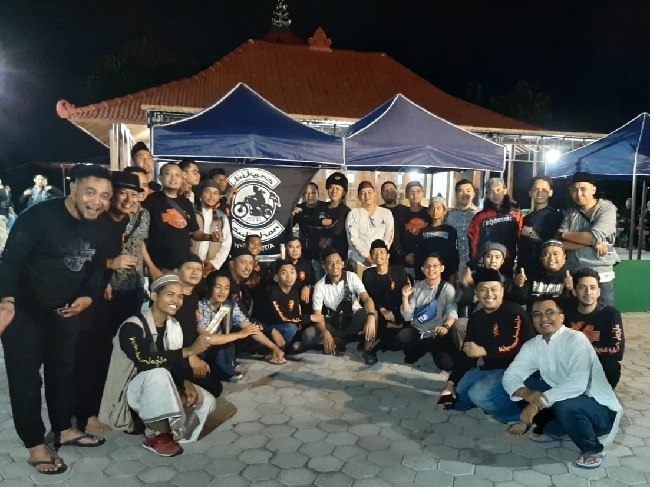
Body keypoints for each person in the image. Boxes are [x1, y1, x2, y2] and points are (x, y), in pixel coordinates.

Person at [0, 164, 114, 474]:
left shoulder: (103, 226)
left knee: (63, 372)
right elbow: (9, 262)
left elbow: (99, 267)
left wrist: (89, 296)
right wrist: (6, 302)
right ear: (73, 189)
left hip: (65, 311)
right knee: (26, 381)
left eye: (105, 196)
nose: (97, 202)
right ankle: (35, 444)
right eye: (90, 192)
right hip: (24, 312)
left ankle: (62, 428)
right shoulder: (38, 217)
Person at [99, 275, 215, 457]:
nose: (176, 300)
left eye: (180, 296)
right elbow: (144, 361)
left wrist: (185, 382)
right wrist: (189, 351)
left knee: (206, 401)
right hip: (129, 397)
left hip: (159, 385)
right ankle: (155, 434)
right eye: (170, 294)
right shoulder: (132, 327)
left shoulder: (173, 325)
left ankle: (172, 430)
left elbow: (173, 363)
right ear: (154, 296)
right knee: (158, 374)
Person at [502, 296, 622, 469]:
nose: (543, 318)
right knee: (526, 386)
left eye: (549, 312)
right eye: (537, 314)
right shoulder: (533, 345)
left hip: (599, 410)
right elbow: (510, 376)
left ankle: (592, 449)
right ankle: (561, 430)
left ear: (561, 317)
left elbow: (577, 384)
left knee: (564, 404)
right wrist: (527, 394)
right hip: (567, 400)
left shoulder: (576, 339)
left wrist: (535, 404)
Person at [438, 268, 535, 423]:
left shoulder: (514, 311)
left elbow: (514, 345)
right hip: (492, 369)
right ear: (476, 293)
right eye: (483, 289)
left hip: (518, 370)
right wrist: (451, 382)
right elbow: (467, 351)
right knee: (458, 391)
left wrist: (484, 351)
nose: (489, 294)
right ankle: (487, 401)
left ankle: (519, 416)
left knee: (479, 394)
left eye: (494, 289)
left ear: (502, 290)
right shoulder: (477, 317)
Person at [142, 163, 220, 277]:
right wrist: (151, 267)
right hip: (158, 266)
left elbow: (194, 232)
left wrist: (210, 237)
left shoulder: (186, 203)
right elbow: (140, 238)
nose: (173, 178)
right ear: (160, 178)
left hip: (182, 267)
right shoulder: (151, 201)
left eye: (177, 175)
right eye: (168, 174)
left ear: (182, 178)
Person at [555, 171, 619, 306]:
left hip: (601, 273)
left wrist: (565, 235)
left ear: (593, 190)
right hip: (575, 272)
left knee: (603, 313)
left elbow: (594, 237)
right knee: (574, 314)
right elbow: (559, 243)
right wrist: (592, 242)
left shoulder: (606, 209)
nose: (578, 194)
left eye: (583, 189)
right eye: (574, 190)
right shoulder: (570, 212)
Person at [307, 248, 377, 362]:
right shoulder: (319, 286)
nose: (335, 266)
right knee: (308, 335)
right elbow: (317, 315)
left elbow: (366, 298)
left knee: (374, 315)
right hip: (333, 323)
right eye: (330, 263)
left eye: (338, 262)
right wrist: (325, 332)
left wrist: (371, 316)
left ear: (343, 264)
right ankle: (339, 340)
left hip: (353, 320)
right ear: (324, 266)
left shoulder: (352, 277)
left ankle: (368, 350)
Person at [225, 247, 286, 365]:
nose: (248, 267)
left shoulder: (240, 283)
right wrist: (271, 332)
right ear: (232, 264)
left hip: (242, 325)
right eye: (243, 262)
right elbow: (244, 319)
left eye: (250, 263)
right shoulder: (226, 284)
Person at [564, 268, 625, 388]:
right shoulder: (566, 312)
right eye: (582, 288)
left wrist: (587, 351)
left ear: (599, 292)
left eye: (593, 288)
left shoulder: (611, 314)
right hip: (572, 363)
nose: (588, 292)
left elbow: (618, 351)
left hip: (598, 363)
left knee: (611, 365)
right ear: (574, 291)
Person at [197, 272, 262, 381]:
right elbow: (206, 338)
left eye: (226, 288)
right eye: (218, 287)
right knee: (230, 338)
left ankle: (227, 366)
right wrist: (239, 334)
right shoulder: (200, 306)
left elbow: (248, 326)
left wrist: (274, 348)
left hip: (221, 344)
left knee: (244, 333)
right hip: (203, 349)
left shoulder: (230, 304)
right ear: (210, 287)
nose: (222, 291)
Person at [400, 254, 459, 371]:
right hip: (418, 330)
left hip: (437, 333)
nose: (431, 269)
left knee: (446, 364)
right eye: (427, 266)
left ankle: (429, 348)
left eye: (435, 266)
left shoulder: (447, 288)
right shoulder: (417, 286)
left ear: (442, 268)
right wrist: (405, 297)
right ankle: (420, 349)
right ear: (422, 269)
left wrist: (446, 326)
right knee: (402, 338)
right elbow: (407, 317)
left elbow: (452, 310)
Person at [362, 239, 410, 364]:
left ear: (388, 255)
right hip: (380, 312)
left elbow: (408, 286)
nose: (378, 255)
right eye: (375, 253)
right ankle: (368, 349)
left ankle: (384, 338)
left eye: (381, 252)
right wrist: (382, 309)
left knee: (400, 339)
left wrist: (408, 287)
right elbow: (367, 297)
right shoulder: (368, 274)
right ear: (371, 257)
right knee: (372, 314)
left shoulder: (398, 270)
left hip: (397, 312)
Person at [467, 177, 523, 276]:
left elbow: (521, 240)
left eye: (498, 190)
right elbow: (473, 240)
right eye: (491, 192)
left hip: (507, 266)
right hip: (485, 265)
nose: (495, 194)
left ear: (505, 191)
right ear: (487, 195)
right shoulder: (480, 217)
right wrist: (473, 263)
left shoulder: (516, 214)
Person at [346, 181, 394, 278]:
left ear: (375, 194)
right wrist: (366, 256)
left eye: (369, 192)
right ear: (358, 196)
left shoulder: (386, 213)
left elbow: (389, 236)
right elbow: (353, 238)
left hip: (381, 262)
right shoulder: (354, 214)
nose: (367, 196)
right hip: (360, 261)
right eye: (363, 193)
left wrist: (379, 255)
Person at [511, 239, 574, 312]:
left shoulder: (573, 276)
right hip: (535, 316)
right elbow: (521, 301)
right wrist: (520, 287)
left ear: (564, 257)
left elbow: (576, 306)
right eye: (546, 254)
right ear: (541, 258)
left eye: (556, 254)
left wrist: (570, 290)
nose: (551, 258)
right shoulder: (531, 275)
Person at [518, 176, 563, 276]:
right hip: (525, 271)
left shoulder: (557, 216)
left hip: (546, 271)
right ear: (530, 193)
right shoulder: (527, 218)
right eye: (535, 190)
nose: (539, 193)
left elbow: (556, 243)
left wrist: (532, 234)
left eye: (544, 190)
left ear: (550, 192)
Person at [191, 179, 232, 276]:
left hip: (209, 269)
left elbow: (226, 244)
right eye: (208, 191)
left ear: (218, 197)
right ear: (200, 194)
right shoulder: (191, 212)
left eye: (215, 193)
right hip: (188, 265)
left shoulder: (221, 217)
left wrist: (214, 264)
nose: (211, 196)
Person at [415, 196, 458, 281]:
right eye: (432, 208)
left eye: (439, 208)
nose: (435, 211)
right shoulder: (423, 231)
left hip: (445, 272)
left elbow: (453, 253)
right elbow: (419, 253)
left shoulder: (450, 230)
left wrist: (453, 272)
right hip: (427, 272)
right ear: (428, 211)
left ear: (445, 211)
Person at [290, 182, 328, 274]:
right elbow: (288, 226)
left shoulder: (326, 207)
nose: (310, 195)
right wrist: (291, 216)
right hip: (306, 254)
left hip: (323, 254)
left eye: (313, 193)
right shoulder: (299, 209)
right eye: (307, 193)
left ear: (318, 194)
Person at [444, 179, 478, 274]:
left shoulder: (480, 214)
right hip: (453, 264)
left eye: (468, 191)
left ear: (474, 194)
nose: (464, 194)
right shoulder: (449, 215)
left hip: (475, 264)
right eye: (461, 191)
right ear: (456, 194)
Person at [319, 172, 351, 272]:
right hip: (319, 258)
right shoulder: (320, 207)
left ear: (344, 192)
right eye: (331, 188)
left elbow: (338, 232)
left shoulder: (347, 212)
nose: (334, 191)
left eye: (338, 188)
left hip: (338, 260)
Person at [399, 181, 432, 276]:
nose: (415, 195)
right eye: (411, 192)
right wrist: (405, 254)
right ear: (406, 195)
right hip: (407, 258)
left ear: (423, 194)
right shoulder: (401, 214)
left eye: (418, 191)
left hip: (426, 259)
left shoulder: (429, 212)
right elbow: (397, 237)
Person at [379, 180, 406, 266]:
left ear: (396, 192)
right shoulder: (378, 211)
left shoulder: (405, 210)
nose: (389, 192)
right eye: (385, 190)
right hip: (382, 254)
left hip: (403, 255)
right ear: (381, 194)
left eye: (391, 189)